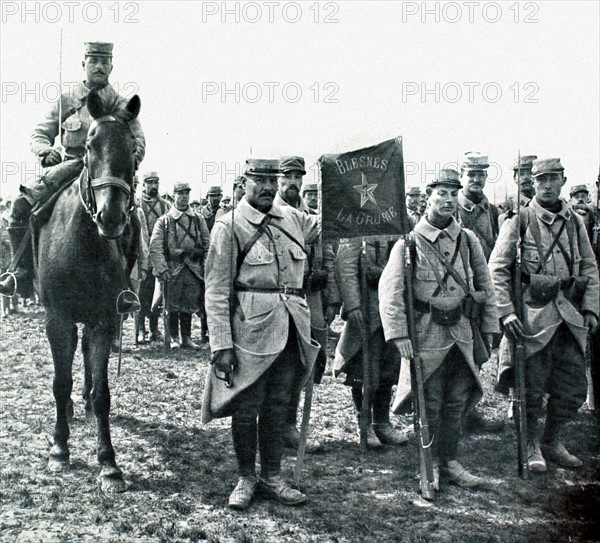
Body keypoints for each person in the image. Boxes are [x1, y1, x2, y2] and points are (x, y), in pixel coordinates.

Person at [201, 158, 319, 510]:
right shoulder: (229, 226)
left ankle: (271, 476)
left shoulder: (294, 220)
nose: (268, 187)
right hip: (249, 332)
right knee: (246, 406)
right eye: (260, 180)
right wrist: (221, 343)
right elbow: (216, 290)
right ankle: (245, 477)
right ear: (244, 182)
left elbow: (337, 225)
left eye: (273, 180)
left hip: (291, 327)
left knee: (278, 404)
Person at [379, 168, 499, 488]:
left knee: (457, 401)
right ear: (428, 200)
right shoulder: (409, 243)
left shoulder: (468, 240)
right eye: (440, 194)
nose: (447, 200)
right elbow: (391, 293)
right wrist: (400, 334)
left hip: (461, 330)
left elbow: (485, 284)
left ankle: (450, 461)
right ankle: (428, 465)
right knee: (429, 402)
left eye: (451, 194)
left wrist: (488, 328)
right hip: (426, 332)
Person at [0, 41, 145, 297]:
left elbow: (138, 140)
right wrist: (45, 151)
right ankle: (19, 272)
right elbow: (39, 133)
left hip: (106, 172)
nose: (99, 67)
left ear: (111, 66)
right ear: (84, 64)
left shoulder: (123, 104)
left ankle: (125, 285)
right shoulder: (67, 99)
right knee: (21, 205)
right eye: (93, 61)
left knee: (132, 218)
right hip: (69, 166)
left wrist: (127, 160)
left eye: (104, 62)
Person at [489, 158, 599, 472]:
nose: (547, 185)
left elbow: (589, 268)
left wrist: (591, 308)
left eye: (553, 179)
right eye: (541, 180)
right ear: (533, 184)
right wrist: (506, 312)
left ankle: (552, 440)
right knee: (530, 390)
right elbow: (496, 269)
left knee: (572, 388)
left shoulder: (576, 221)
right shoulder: (519, 219)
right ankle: (530, 444)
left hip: (569, 317)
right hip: (532, 318)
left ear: (563, 180)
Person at [275, 157, 334, 453]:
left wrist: (330, 294)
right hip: (281, 298)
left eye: (298, 177)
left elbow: (329, 253)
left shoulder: (311, 214)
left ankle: (289, 424)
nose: (293, 183)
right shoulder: (269, 213)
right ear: (277, 180)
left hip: (312, 297)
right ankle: (276, 425)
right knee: (280, 360)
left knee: (306, 362)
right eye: (288, 177)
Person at [334, 232, 408, 448]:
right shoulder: (358, 226)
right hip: (368, 308)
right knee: (363, 369)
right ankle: (363, 423)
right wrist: (353, 304)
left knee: (388, 366)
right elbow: (345, 267)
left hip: (393, 308)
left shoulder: (397, 224)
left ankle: (381, 422)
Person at [457, 152, 503, 432]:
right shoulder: (453, 206)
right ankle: (455, 414)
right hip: (458, 291)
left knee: (480, 351)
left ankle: (468, 410)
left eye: (481, 174)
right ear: (462, 175)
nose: (476, 179)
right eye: (471, 174)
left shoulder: (493, 211)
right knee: (456, 353)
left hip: (483, 291)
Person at [149, 182, 210, 349]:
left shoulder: (198, 219)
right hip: (173, 269)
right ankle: (174, 338)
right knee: (172, 305)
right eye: (180, 193)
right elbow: (155, 247)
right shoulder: (164, 221)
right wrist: (162, 269)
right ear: (174, 195)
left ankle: (187, 337)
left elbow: (207, 244)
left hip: (193, 269)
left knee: (189, 304)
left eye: (186, 193)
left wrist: (204, 265)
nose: (184, 197)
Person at [138, 171, 170, 342]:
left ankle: (154, 329)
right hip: (143, 256)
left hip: (159, 256)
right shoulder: (137, 204)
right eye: (149, 183)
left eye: (155, 182)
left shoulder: (165, 205)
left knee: (158, 294)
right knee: (143, 292)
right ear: (144, 185)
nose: (153, 186)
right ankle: (141, 329)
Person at [498, 155, 538, 228]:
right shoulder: (507, 206)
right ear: (514, 179)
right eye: (521, 174)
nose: (526, 177)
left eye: (530, 173)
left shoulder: (547, 204)